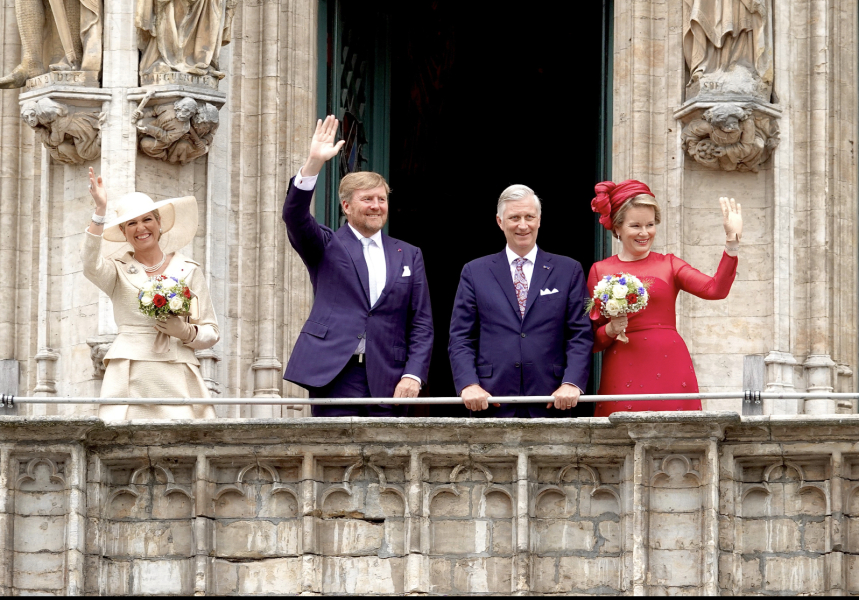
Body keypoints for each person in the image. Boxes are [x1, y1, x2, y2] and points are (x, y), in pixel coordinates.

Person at [282, 115, 433, 416]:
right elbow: (294, 216)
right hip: (334, 374)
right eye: (367, 199)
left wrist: (413, 375)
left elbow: (421, 323)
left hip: (390, 378)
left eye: (382, 199)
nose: (376, 206)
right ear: (347, 206)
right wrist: (313, 163)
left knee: (387, 448)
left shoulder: (408, 254)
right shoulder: (325, 245)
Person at [587, 180, 742, 416]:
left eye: (650, 225)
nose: (644, 233)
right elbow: (590, 341)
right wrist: (610, 329)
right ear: (617, 228)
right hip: (622, 366)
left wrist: (732, 243)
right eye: (635, 225)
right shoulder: (600, 270)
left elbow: (715, 290)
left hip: (670, 362)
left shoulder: (669, 264)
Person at [81, 167, 219, 420]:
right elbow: (90, 265)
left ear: (159, 223)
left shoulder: (188, 270)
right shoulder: (117, 270)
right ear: (123, 232)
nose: (140, 228)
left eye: (147, 219)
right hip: (129, 371)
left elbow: (211, 331)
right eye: (131, 223)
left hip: (178, 370)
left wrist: (186, 331)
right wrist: (100, 211)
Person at [449, 184, 593, 418]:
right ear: (500, 222)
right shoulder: (475, 271)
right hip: (490, 399)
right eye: (514, 217)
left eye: (529, 217)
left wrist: (572, 382)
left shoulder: (569, 270)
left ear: (539, 220)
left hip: (553, 398)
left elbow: (580, 334)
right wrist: (468, 384)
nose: (523, 225)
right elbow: (461, 337)